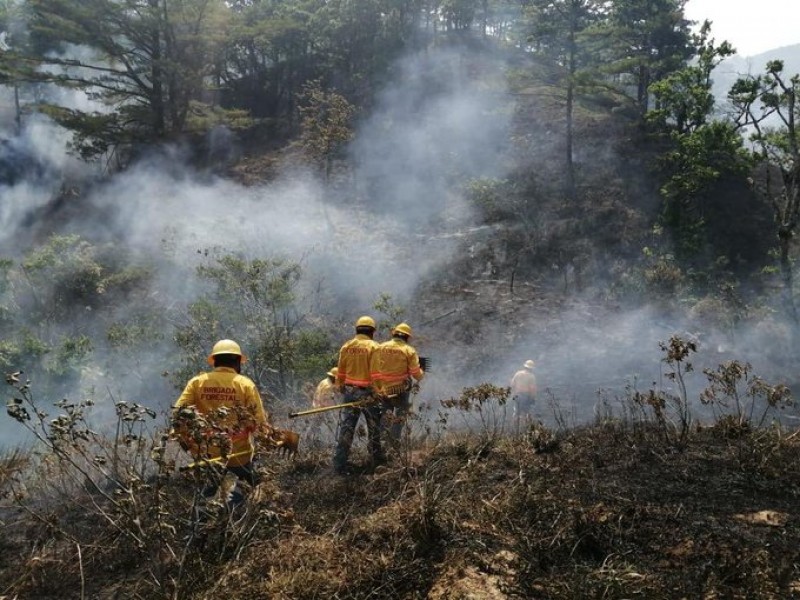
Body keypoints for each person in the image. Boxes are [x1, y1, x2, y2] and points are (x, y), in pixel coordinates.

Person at [172, 339, 270, 510]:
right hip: (238, 455)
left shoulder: (197, 382)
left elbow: (178, 414)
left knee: (205, 498)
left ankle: (202, 527)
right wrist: (267, 441)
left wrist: (185, 441)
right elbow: (259, 422)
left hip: (205, 455)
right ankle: (232, 523)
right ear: (237, 361)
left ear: (214, 361)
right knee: (238, 496)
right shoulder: (244, 384)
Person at [332, 316, 382, 474]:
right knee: (374, 427)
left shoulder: (347, 346)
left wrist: (340, 386)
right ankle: (376, 461)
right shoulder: (374, 347)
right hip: (368, 392)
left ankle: (339, 465)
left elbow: (340, 371)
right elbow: (375, 373)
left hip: (350, 392)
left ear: (356, 330)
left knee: (347, 428)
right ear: (373, 331)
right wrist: (379, 392)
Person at [371, 322, 424, 448]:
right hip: (401, 389)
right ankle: (394, 444)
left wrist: (377, 387)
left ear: (393, 333)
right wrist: (422, 371)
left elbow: (374, 369)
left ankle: (383, 444)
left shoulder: (381, 347)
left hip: (384, 389)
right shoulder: (409, 350)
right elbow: (417, 375)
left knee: (385, 415)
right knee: (399, 417)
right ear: (407, 337)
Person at [510, 359, 537, 433]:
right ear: (531, 368)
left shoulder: (518, 374)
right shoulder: (531, 376)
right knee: (525, 413)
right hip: (525, 396)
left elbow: (512, 384)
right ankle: (524, 430)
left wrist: (513, 394)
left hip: (517, 395)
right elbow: (532, 389)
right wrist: (533, 398)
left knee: (516, 412)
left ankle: (514, 430)